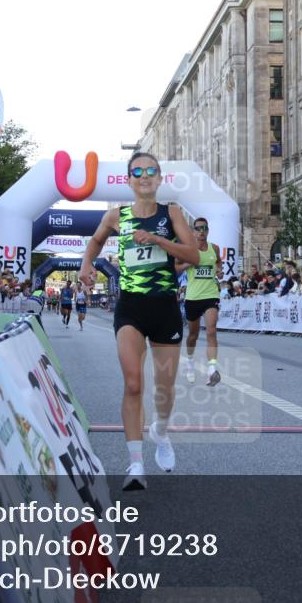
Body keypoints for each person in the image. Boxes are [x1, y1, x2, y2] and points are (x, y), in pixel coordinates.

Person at [80, 152, 199, 491]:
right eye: (138, 172)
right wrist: (87, 264)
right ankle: (135, 464)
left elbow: (192, 255)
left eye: (151, 171)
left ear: (160, 178)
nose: (145, 176)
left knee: (164, 388)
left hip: (164, 308)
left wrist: (159, 240)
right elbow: (96, 241)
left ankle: (160, 431)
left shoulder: (171, 213)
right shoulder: (117, 215)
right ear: (129, 180)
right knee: (133, 384)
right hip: (130, 308)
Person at [175, 217, 224, 386]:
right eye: (198, 228)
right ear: (193, 231)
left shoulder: (214, 248)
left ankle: (212, 369)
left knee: (211, 330)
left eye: (204, 228)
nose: (201, 231)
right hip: (193, 297)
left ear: (208, 231)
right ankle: (189, 361)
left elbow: (218, 262)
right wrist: (187, 264)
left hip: (211, 295)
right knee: (193, 336)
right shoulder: (187, 250)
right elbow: (175, 267)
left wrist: (219, 270)